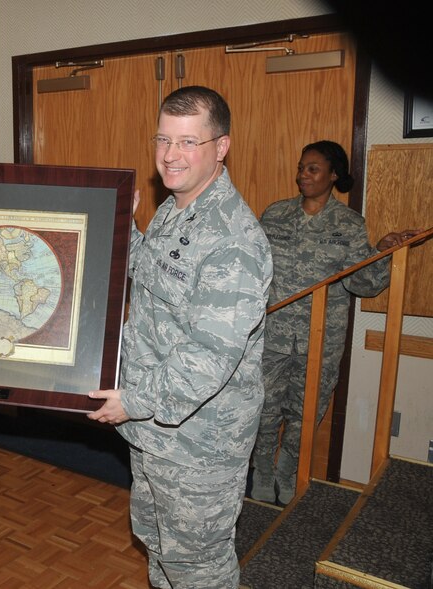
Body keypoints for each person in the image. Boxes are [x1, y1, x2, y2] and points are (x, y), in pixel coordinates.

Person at [87, 86, 273, 589]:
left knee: (197, 568)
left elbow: (208, 357)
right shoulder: (176, 208)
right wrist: (114, 223)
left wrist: (131, 400)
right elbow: (151, 279)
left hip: (199, 443)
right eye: (163, 139)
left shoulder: (232, 240)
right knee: (159, 547)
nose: (171, 155)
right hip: (156, 430)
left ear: (221, 146)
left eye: (189, 142)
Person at [250, 140, 420, 505]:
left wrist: (382, 253)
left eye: (312, 168)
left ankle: (289, 470)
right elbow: (253, 271)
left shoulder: (349, 224)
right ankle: (261, 468)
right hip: (273, 335)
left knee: (306, 410)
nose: (303, 175)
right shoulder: (275, 215)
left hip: (320, 340)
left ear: (333, 176)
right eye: (301, 168)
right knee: (264, 406)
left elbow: (363, 283)